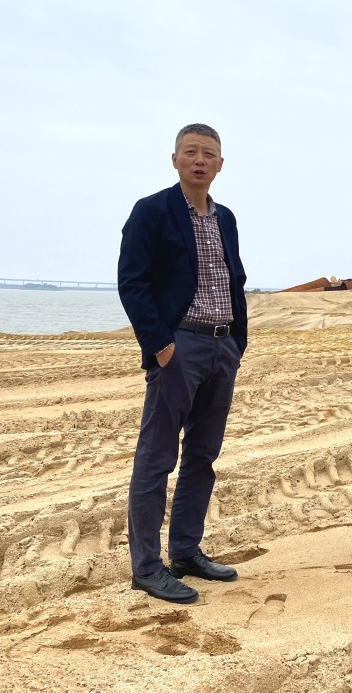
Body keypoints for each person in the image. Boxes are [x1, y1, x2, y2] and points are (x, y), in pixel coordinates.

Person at [117, 123, 248, 603]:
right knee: (156, 457)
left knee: (202, 455)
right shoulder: (152, 210)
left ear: (220, 164)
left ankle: (187, 552)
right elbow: (132, 281)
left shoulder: (225, 217)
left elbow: (234, 279)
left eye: (208, 154)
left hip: (222, 346)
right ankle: (147, 568)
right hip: (179, 347)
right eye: (190, 152)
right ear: (174, 159)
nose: (199, 160)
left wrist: (238, 340)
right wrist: (160, 345)